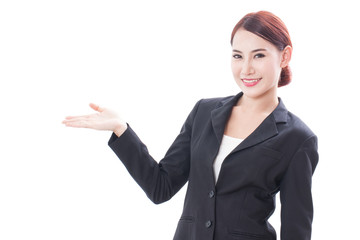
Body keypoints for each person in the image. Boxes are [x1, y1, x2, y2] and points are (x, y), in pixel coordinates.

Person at [62, 11, 319, 240]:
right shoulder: (204, 112)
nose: (246, 68)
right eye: (238, 56)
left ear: (285, 56)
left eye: (259, 55)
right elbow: (159, 187)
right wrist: (121, 130)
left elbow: (296, 231)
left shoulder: (297, 138)